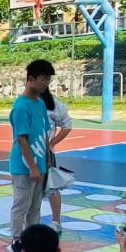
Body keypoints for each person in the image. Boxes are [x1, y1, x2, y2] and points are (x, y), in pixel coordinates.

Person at [8, 61, 53, 252]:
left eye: (48, 80)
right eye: (43, 80)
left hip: (40, 163)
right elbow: (22, 139)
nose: (45, 84)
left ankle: (33, 238)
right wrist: (33, 166)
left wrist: (47, 157)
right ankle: (16, 240)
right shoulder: (20, 107)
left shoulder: (40, 103)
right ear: (31, 79)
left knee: (35, 206)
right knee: (22, 204)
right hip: (24, 166)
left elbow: (44, 133)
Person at [43, 89, 73, 233]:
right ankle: (28, 220)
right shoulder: (24, 102)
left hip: (46, 153)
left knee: (52, 187)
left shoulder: (53, 103)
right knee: (27, 188)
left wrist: (51, 143)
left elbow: (67, 126)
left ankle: (56, 221)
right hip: (27, 153)